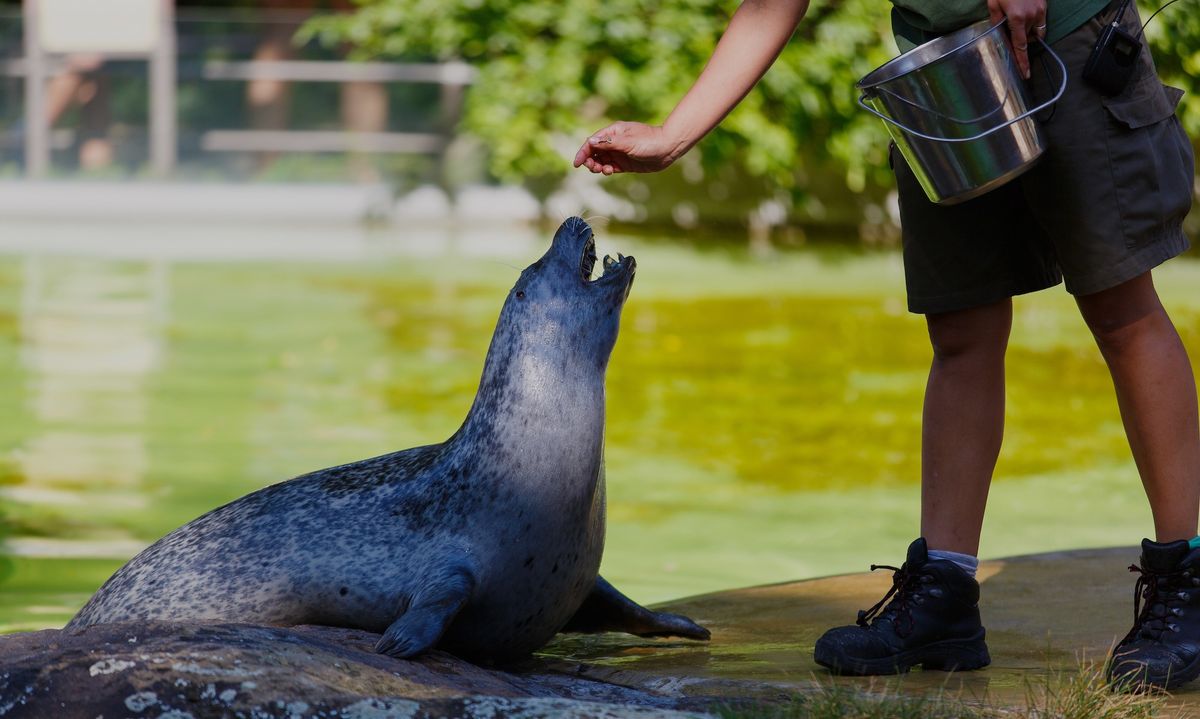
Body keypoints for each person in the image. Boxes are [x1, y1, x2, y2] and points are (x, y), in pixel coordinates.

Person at [573, 0, 1198, 691]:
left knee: (1119, 308)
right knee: (960, 328)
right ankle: (947, 592)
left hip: (1068, 36)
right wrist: (673, 135)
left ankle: (1186, 576)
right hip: (944, 68)